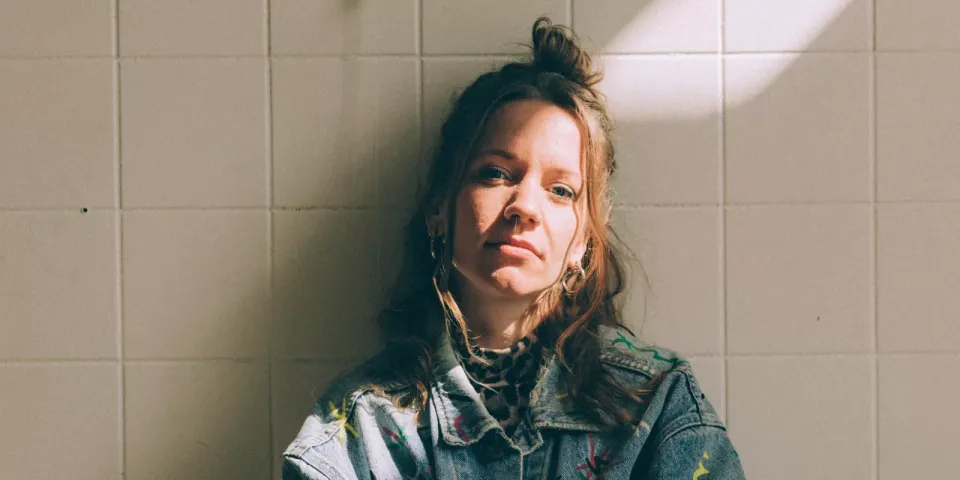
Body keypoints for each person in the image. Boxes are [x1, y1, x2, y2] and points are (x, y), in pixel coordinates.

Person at [282, 17, 744, 479]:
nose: (524, 206)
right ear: (439, 208)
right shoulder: (361, 432)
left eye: (560, 190)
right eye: (495, 174)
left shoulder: (656, 406)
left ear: (584, 240)